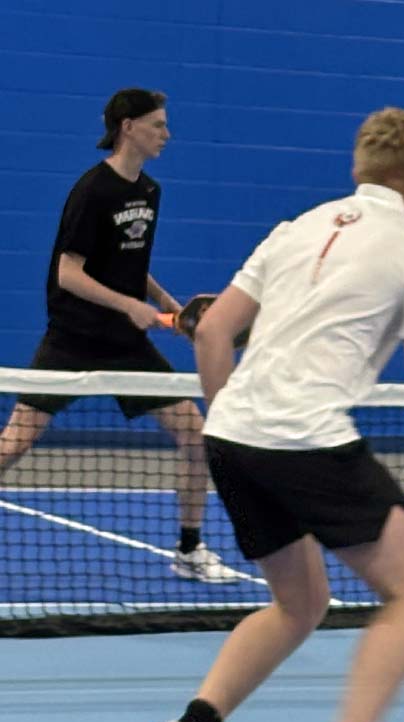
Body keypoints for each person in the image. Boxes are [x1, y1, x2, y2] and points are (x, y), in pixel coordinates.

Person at [135, 106, 404, 722]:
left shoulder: (296, 227)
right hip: (304, 438)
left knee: (302, 601)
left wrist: (233, 423)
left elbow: (213, 331)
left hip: (234, 435)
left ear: (358, 170)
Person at [0, 87, 236, 583]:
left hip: (126, 346)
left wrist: (170, 307)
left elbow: (132, 264)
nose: (167, 135)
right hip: (74, 337)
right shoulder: (93, 191)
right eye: (158, 125)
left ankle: (189, 549)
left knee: (196, 437)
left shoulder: (149, 192)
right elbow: (69, 273)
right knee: (16, 442)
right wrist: (130, 306)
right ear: (128, 127)